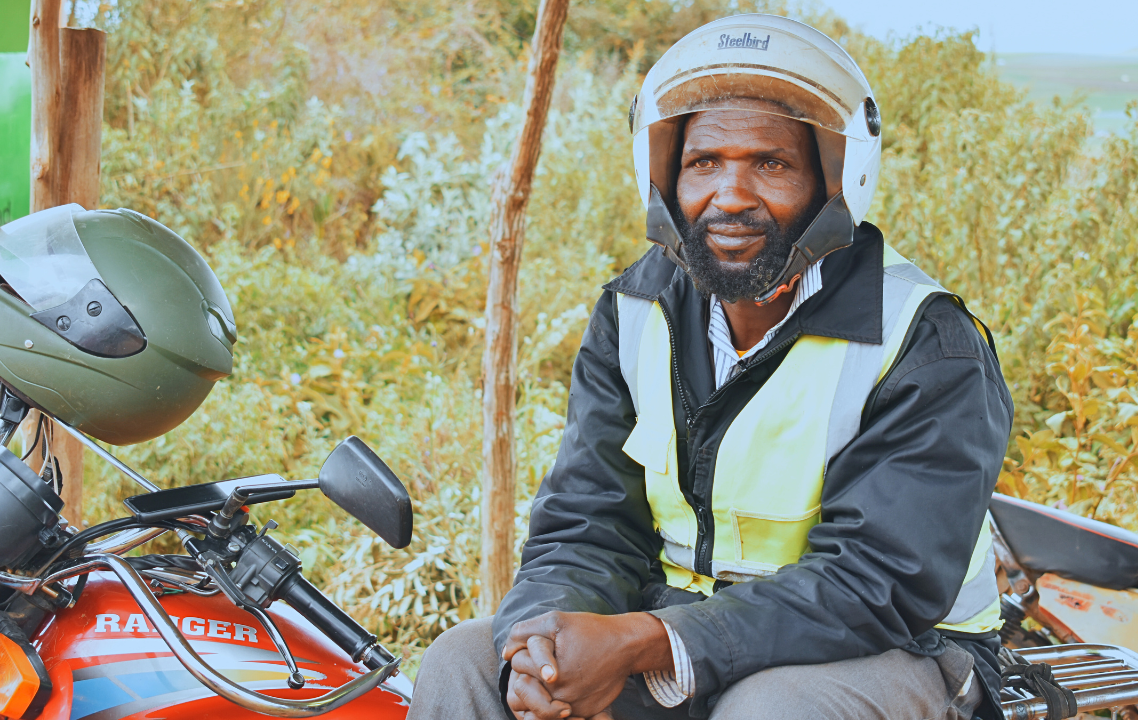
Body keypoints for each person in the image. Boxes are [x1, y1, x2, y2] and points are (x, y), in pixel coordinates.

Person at [409, 13, 1012, 720]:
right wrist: (541, 642)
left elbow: (875, 582)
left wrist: (646, 642)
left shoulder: (924, 339)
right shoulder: (635, 310)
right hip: (681, 628)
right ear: (664, 174)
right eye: (704, 163)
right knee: (465, 660)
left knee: (770, 709)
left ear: (836, 179)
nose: (730, 196)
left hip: (897, 650)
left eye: (771, 163)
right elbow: (587, 522)